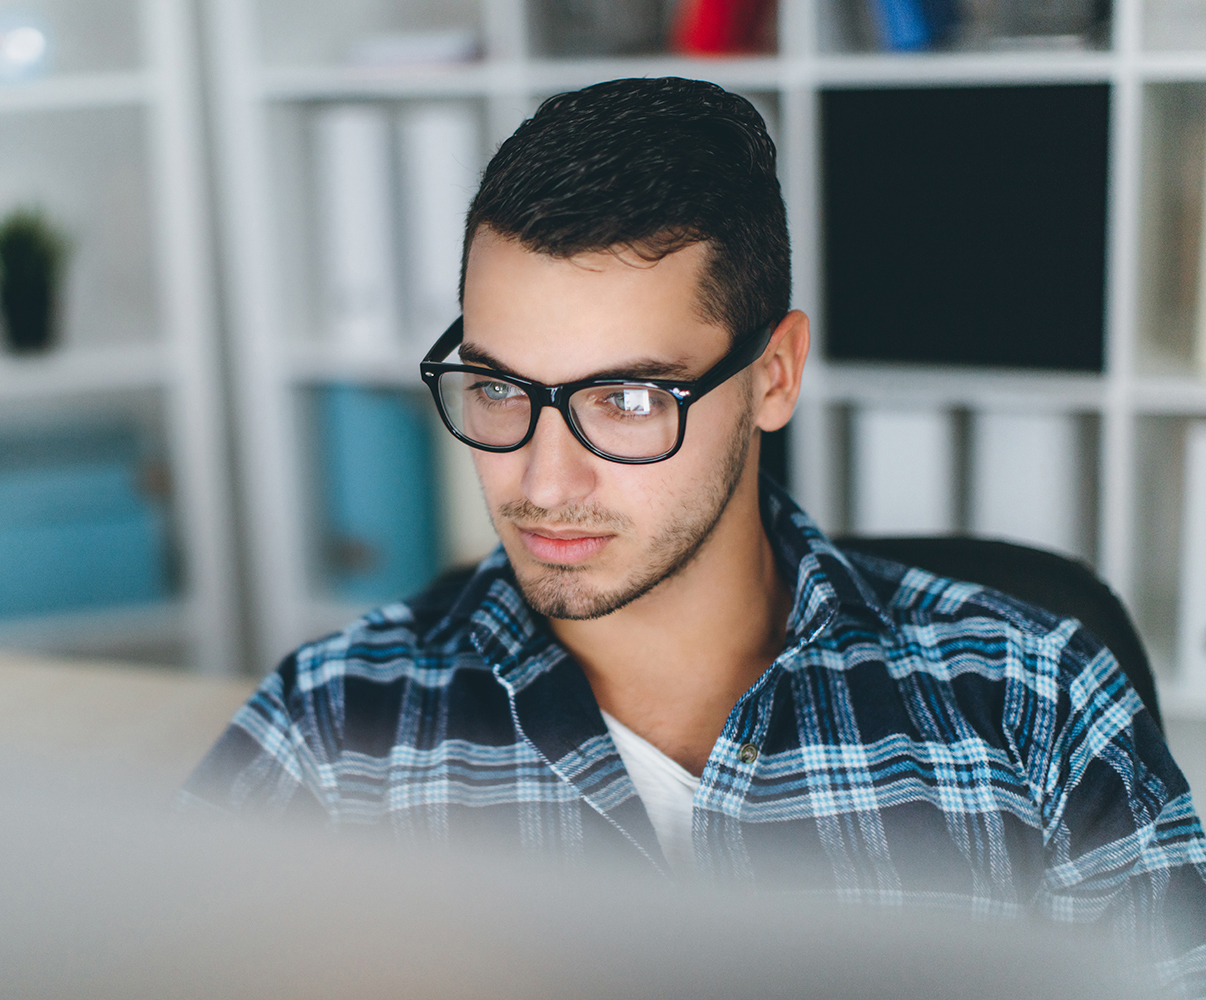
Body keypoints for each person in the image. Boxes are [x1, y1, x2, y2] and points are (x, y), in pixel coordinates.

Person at [185, 77, 1206, 988]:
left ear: (773, 375)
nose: (542, 479)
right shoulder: (332, 728)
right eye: (499, 387)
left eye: (627, 397)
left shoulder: (1036, 703)